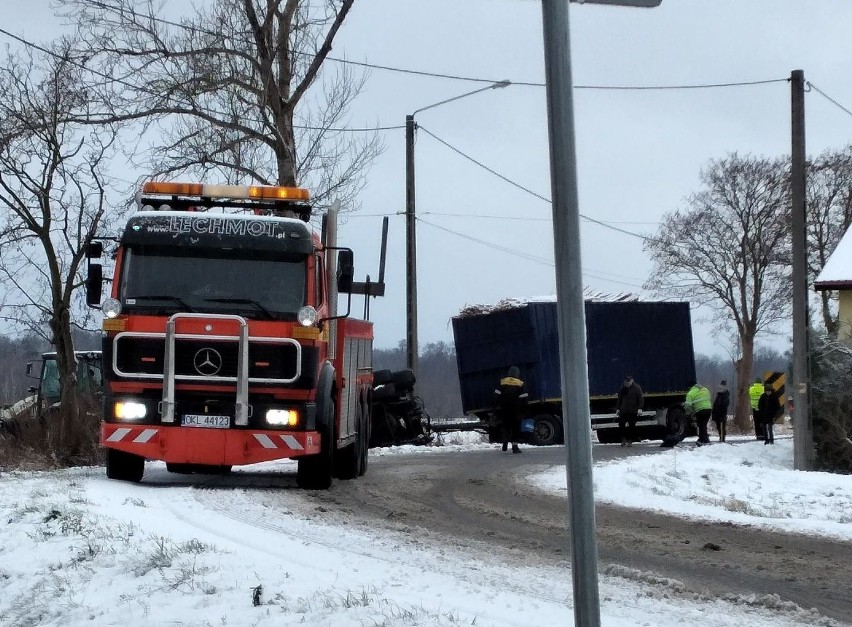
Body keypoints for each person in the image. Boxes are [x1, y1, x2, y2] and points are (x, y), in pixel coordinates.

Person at [494, 366, 528, 454]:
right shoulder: (521, 383)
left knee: (506, 426)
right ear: (517, 373)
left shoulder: (502, 382)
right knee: (515, 428)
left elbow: (496, 396)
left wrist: (496, 407)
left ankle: (505, 440)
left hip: (504, 409)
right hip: (516, 410)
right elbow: (524, 398)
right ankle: (515, 447)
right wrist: (524, 410)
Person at [616, 374, 644, 447]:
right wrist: (618, 408)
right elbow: (620, 398)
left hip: (633, 410)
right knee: (621, 424)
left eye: (628, 381)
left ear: (632, 381)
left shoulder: (637, 388)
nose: (627, 383)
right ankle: (623, 439)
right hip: (624, 410)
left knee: (632, 426)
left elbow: (640, 398)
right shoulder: (623, 387)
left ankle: (630, 441)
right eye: (626, 382)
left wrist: (640, 408)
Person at [684, 381, 712, 445]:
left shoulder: (691, 393)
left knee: (701, 425)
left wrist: (688, 414)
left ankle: (704, 440)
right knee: (703, 425)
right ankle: (702, 439)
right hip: (708, 409)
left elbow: (688, 406)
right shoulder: (705, 389)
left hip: (700, 410)